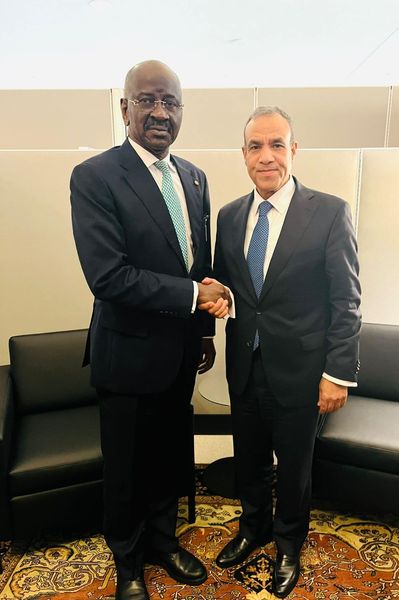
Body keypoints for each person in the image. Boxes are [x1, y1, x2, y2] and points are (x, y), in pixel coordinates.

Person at [70, 60, 230, 600]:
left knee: (168, 456)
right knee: (126, 468)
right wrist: (192, 296)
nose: (160, 112)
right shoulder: (95, 176)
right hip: (127, 356)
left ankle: (163, 541)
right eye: (148, 100)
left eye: (171, 102)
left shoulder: (194, 177)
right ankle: (128, 561)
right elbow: (108, 276)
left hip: (180, 354)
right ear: (125, 108)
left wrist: (203, 330)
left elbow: (196, 263)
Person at [202, 106, 361, 598]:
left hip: (301, 370)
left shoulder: (329, 211)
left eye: (276, 145)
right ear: (244, 154)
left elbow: (346, 299)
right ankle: (253, 528)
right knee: (249, 458)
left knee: (294, 467)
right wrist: (217, 296)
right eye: (255, 146)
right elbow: (232, 286)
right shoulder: (230, 216)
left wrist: (337, 373)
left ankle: (289, 542)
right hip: (244, 365)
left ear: (294, 150)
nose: (266, 156)